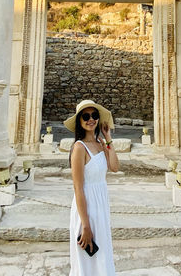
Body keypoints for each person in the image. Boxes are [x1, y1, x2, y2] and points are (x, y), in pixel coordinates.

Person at [65, 99, 119, 276]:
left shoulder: (100, 144)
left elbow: (114, 167)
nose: (91, 119)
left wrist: (108, 138)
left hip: (101, 207)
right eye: (86, 116)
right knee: (86, 261)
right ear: (79, 121)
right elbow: (78, 188)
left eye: (94, 115)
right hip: (86, 210)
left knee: (102, 257)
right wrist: (85, 225)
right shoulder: (79, 148)